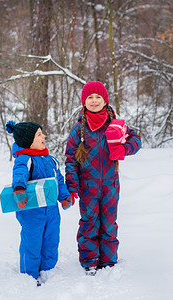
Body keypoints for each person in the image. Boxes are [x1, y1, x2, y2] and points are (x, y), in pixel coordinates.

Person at [65, 81, 141, 276]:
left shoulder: (115, 125)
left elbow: (136, 140)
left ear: (105, 100)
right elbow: (71, 159)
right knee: (89, 222)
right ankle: (90, 260)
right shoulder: (78, 129)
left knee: (108, 223)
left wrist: (124, 149)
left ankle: (108, 261)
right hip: (87, 186)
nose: (94, 100)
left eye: (98, 97)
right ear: (84, 102)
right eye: (90, 97)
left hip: (110, 185)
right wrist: (72, 185)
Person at [5, 120, 73, 286]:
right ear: (29, 141)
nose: (44, 136)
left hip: (51, 211)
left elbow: (59, 180)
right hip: (31, 211)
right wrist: (19, 189)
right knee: (32, 242)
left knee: (51, 240)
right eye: (39, 134)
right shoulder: (25, 159)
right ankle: (30, 274)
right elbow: (19, 174)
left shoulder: (51, 160)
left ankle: (48, 270)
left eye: (42, 133)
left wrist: (64, 196)